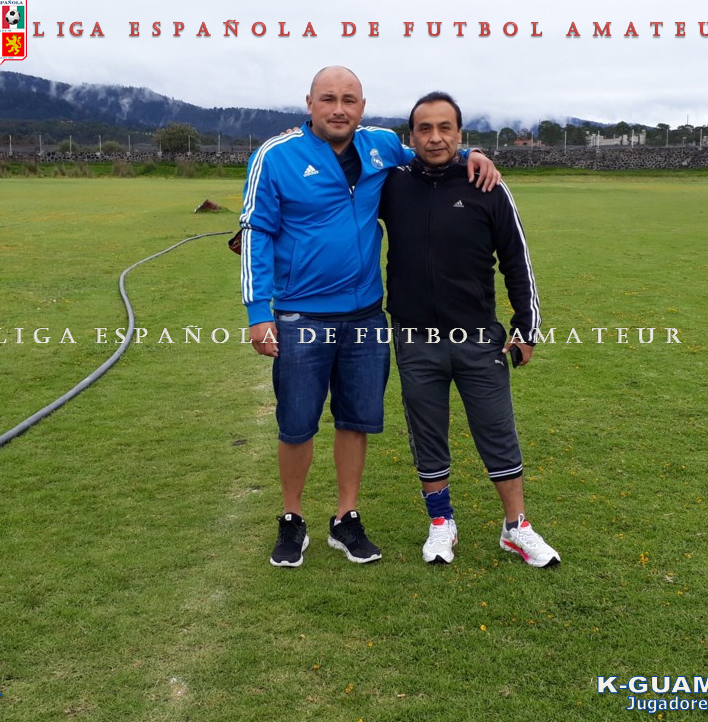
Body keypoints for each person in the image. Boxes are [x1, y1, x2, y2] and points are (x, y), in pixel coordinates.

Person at [238, 67, 501, 568]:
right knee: (296, 424)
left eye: (349, 99)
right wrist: (257, 311)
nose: (339, 109)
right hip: (300, 316)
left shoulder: (380, 145)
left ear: (362, 106)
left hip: (366, 315)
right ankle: (292, 518)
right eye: (328, 99)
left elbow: (428, 149)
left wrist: (473, 153)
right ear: (309, 103)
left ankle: (346, 518)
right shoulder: (275, 155)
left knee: (355, 420)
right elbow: (255, 231)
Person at [379, 91, 560, 568]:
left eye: (446, 128)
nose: (435, 137)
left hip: (479, 338)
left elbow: (516, 259)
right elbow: (334, 196)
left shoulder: (487, 184)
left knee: (497, 431)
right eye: (425, 128)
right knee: (427, 434)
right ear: (411, 135)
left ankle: (515, 527)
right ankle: (441, 523)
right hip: (415, 338)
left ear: (460, 134)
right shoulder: (392, 183)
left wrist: (527, 328)